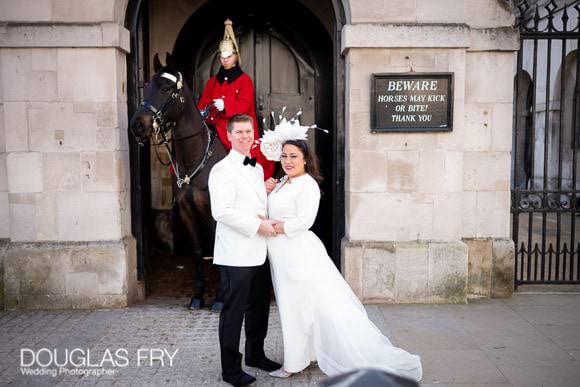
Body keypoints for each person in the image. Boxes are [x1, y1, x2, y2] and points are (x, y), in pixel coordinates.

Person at [264, 139, 423, 382]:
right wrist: (267, 191)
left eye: (294, 156)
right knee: (299, 307)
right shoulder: (283, 181)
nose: (287, 161)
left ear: (306, 159)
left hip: (298, 253)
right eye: (284, 156)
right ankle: (306, 353)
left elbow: (304, 221)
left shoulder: (307, 185)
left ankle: (293, 363)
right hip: (283, 254)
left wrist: (277, 227)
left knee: (301, 307)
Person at [208, 114, 281, 386]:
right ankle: (230, 370)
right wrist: (257, 226)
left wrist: (266, 191)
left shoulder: (258, 168)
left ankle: (255, 354)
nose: (245, 136)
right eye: (239, 132)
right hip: (236, 253)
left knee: (259, 307)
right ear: (229, 136)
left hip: (260, 251)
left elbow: (249, 203)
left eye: (248, 131)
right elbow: (221, 211)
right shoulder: (222, 169)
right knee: (233, 312)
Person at [198, 19, 275, 180]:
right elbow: (203, 103)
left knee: (249, 159)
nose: (224, 59)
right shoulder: (212, 81)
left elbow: (245, 104)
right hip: (212, 127)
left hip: (236, 127)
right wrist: (202, 111)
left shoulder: (244, 80)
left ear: (235, 56)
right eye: (222, 56)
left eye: (228, 55)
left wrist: (225, 106)